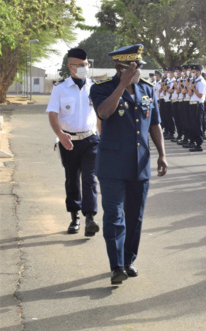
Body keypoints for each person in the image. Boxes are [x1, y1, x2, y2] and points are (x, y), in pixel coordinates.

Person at [90, 44, 168, 285]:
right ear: (119, 67)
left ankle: (128, 259)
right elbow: (103, 113)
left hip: (140, 164)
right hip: (112, 166)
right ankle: (116, 266)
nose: (136, 71)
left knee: (135, 217)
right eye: (131, 67)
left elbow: (155, 123)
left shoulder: (147, 89)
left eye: (138, 67)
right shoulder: (101, 88)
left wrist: (162, 154)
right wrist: (122, 85)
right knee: (114, 217)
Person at [46, 48, 101, 236]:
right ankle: (74, 216)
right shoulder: (60, 89)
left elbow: (99, 116)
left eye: (86, 65)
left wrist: (103, 138)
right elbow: (52, 114)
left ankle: (90, 218)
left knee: (89, 179)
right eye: (80, 65)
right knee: (72, 179)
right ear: (70, 66)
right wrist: (60, 134)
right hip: (68, 140)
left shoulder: (94, 87)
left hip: (91, 140)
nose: (84, 68)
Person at [187, 65, 206, 152]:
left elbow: (200, 95)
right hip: (192, 104)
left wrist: (193, 88)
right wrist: (189, 87)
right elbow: (191, 94)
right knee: (192, 124)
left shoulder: (201, 82)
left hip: (198, 105)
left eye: (193, 72)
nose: (192, 73)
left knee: (198, 124)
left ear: (198, 72)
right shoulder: (195, 81)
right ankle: (193, 141)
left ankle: (199, 144)